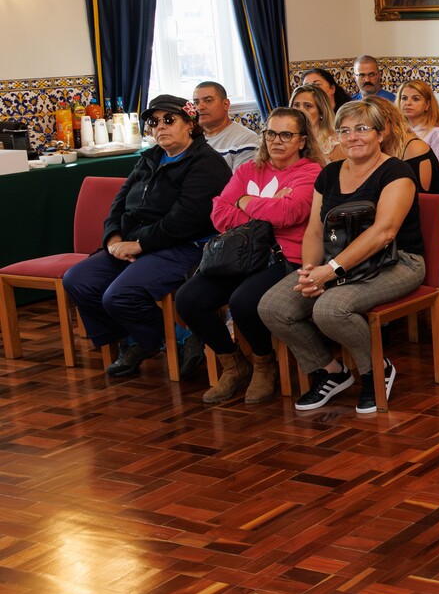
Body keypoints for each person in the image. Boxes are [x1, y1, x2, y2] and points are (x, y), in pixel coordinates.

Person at [259, 100, 427, 415]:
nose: (352, 137)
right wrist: (310, 272)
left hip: (398, 261)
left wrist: (331, 271)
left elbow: (384, 232)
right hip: (337, 263)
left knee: (330, 309)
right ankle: (331, 372)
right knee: (273, 307)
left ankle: (374, 371)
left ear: (381, 133)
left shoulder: (396, 171)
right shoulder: (330, 173)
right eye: (345, 130)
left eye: (362, 129)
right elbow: (313, 231)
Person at [62, 95, 231, 378]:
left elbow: (186, 220)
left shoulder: (207, 163)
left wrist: (140, 244)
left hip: (186, 247)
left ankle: (159, 339)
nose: (160, 126)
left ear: (190, 124)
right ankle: (153, 339)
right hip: (136, 244)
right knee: (79, 280)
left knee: (120, 296)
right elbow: (119, 203)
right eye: (154, 122)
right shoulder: (150, 158)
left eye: (169, 119)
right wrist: (114, 239)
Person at [175, 107, 323, 404]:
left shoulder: (312, 172)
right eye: (270, 133)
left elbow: (289, 212)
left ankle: (263, 363)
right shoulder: (247, 170)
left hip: (284, 256)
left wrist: (243, 201)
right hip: (239, 254)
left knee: (245, 300)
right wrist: (263, 210)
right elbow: (218, 213)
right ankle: (232, 363)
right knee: (188, 299)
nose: (276, 141)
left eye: (286, 135)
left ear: (302, 141)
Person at [371, 97, 439, 197]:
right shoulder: (375, 145)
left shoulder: (415, 148)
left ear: (391, 120)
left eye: (377, 123)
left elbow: (422, 200)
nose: (372, 130)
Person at [192, 81, 260, 170]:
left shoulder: (246, 140)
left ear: (226, 104)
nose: (199, 107)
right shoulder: (189, 138)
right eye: (196, 102)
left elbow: (241, 182)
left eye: (208, 101)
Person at [398, 80, 439, 166]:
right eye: (404, 98)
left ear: (427, 104)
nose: (408, 103)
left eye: (415, 99)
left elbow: (437, 170)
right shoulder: (396, 130)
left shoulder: (437, 133)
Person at [291, 84, 342, 160]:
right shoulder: (286, 139)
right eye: (296, 105)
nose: (300, 110)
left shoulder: (334, 143)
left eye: (308, 106)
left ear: (321, 112)